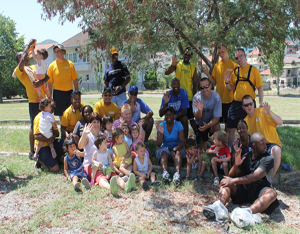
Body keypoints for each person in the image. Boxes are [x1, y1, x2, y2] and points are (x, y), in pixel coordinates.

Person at [203, 133, 278, 222]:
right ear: (254, 145)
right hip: (245, 188)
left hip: (260, 188)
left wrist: (233, 180)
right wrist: (236, 165)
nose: (265, 146)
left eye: (265, 143)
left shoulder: (268, 158)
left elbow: (255, 177)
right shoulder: (246, 156)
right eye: (262, 144)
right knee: (225, 182)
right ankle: (219, 206)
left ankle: (247, 212)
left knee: (272, 194)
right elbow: (231, 176)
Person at [78, 113, 135, 194]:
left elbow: (115, 133)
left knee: (115, 176)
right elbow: (80, 146)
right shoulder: (88, 136)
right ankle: (111, 188)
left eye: (98, 122)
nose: (96, 124)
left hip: (105, 164)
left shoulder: (103, 135)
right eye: (94, 122)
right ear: (90, 123)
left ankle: (126, 186)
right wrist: (84, 134)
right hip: (91, 165)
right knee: (101, 178)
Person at [14, 39, 49, 159]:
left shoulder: (34, 66)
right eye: (22, 57)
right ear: (19, 60)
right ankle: (31, 150)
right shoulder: (20, 71)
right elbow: (24, 59)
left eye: (26, 56)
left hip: (43, 100)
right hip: (34, 102)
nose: (26, 58)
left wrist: (41, 81)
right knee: (33, 125)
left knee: (45, 123)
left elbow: (47, 76)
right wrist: (28, 47)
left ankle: (44, 147)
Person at [225, 48, 264, 147]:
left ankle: (251, 149)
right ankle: (231, 150)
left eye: (241, 56)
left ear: (245, 56)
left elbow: (260, 87)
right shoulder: (236, 72)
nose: (239, 59)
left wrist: (260, 103)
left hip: (248, 105)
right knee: (231, 128)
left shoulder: (253, 70)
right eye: (237, 57)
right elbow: (230, 88)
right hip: (236, 104)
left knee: (250, 128)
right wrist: (226, 81)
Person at [242, 95, 283, 178]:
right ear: (243, 107)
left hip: (271, 144)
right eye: (246, 105)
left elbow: (280, 122)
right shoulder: (245, 121)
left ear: (254, 103)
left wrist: (270, 113)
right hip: (258, 147)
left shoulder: (263, 111)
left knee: (276, 150)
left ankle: (269, 179)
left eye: (250, 104)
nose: (249, 107)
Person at [203, 43, 237, 132]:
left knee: (228, 125)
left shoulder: (234, 66)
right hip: (218, 100)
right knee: (216, 123)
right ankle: (218, 142)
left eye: (223, 52)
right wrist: (208, 74)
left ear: (227, 51)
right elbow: (213, 83)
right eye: (219, 53)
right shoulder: (217, 66)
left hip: (230, 99)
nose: (221, 54)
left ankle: (225, 144)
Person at [165, 47, 198, 134]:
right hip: (178, 97)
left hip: (189, 98)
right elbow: (166, 72)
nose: (187, 55)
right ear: (183, 53)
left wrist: (195, 97)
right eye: (186, 53)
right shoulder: (178, 64)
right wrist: (172, 65)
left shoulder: (193, 67)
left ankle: (198, 137)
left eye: (189, 54)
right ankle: (182, 139)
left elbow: (195, 84)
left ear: (191, 56)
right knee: (182, 119)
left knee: (192, 120)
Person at [47, 44, 78, 121]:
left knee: (70, 113)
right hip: (58, 93)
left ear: (63, 52)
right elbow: (49, 82)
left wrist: (77, 93)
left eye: (58, 51)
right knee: (61, 114)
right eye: (55, 52)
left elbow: (75, 79)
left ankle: (70, 131)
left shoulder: (70, 64)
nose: (57, 53)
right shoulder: (52, 66)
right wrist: (49, 96)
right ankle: (63, 131)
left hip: (69, 93)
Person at [156, 106, 185, 184]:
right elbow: (158, 144)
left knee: (178, 153)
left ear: (174, 115)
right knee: (163, 153)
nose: (168, 116)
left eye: (170, 114)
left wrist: (175, 149)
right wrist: (161, 133)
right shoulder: (162, 125)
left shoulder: (178, 125)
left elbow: (183, 141)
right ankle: (165, 173)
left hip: (176, 146)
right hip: (165, 146)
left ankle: (177, 175)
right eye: (167, 115)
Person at [193, 77, 222, 150]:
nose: (205, 89)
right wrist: (200, 110)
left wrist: (208, 125)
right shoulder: (197, 97)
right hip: (200, 125)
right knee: (203, 149)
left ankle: (217, 145)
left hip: (211, 124)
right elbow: (197, 118)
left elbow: (217, 118)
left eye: (206, 86)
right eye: (202, 88)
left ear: (211, 86)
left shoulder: (216, 97)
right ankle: (203, 141)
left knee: (217, 127)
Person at [33, 100, 60, 172]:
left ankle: (53, 159)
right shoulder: (38, 117)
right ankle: (40, 160)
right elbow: (36, 136)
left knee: (64, 143)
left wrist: (53, 134)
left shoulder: (51, 116)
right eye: (51, 107)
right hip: (42, 146)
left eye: (54, 108)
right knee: (55, 168)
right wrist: (49, 139)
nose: (53, 110)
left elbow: (57, 134)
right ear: (45, 107)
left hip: (51, 142)